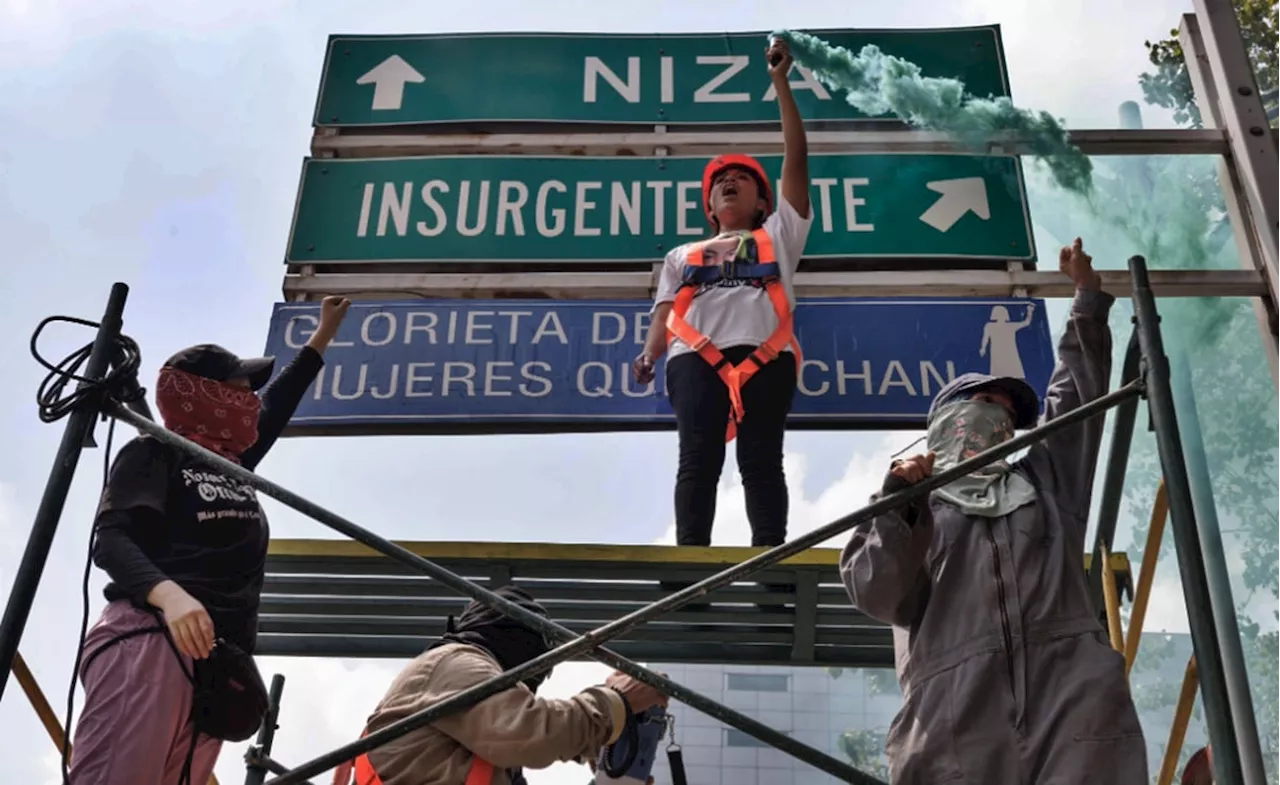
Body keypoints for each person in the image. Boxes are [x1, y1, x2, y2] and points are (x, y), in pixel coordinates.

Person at [840, 238, 1148, 784]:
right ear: (944, 426)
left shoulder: (1044, 483)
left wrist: (1087, 301)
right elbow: (875, 591)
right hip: (952, 712)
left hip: (1070, 695)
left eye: (1009, 416)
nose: (1000, 423)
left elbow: (1074, 402)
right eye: (985, 407)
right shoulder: (912, 505)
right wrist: (898, 508)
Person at [67, 295, 351, 785]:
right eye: (239, 389)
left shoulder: (233, 463)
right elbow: (111, 541)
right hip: (152, 638)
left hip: (215, 664)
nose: (249, 403)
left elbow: (280, 402)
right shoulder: (155, 453)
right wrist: (170, 597)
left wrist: (323, 334)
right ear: (204, 394)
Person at [632, 35, 812, 550]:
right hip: (694, 358)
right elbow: (665, 311)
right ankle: (690, 565)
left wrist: (782, 85)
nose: (729, 182)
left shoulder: (778, 235)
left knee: (761, 460)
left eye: (742, 179)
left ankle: (770, 560)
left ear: (762, 203)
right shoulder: (681, 256)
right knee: (698, 458)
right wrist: (649, 353)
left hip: (766, 356)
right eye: (721, 181)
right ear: (710, 206)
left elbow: (796, 159)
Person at [339, 586, 669, 785]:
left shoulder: (485, 743)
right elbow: (533, 732)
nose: (532, 687)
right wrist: (614, 703)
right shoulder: (453, 662)